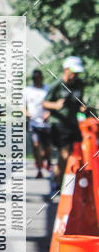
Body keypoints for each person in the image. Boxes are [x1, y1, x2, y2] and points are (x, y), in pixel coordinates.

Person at [43, 56, 86, 192]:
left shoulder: (79, 84)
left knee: (75, 153)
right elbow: (44, 103)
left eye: (78, 73)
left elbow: (79, 102)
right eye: (74, 72)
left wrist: (83, 108)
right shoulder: (57, 85)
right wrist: (55, 105)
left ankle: (60, 175)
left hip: (74, 123)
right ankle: (61, 182)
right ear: (66, 70)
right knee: (65, 153)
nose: (76, 75)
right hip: (59, 124)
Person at [25, 69, 52, 178]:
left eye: (38, 78)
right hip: (33, 124)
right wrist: (27, 114)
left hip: (46, 124)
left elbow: (53, 103)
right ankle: (39, 169)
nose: (36, 80)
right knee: (36, 146)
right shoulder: (27, 90)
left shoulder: (48, 89)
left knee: (47, 147)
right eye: (34, 78)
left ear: (42, 78)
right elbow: (21, 107)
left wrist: (48, 114)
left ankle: (47, 160)